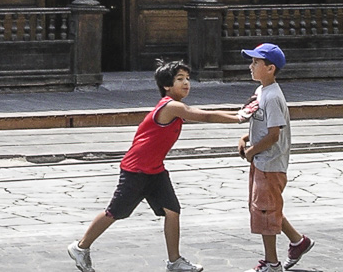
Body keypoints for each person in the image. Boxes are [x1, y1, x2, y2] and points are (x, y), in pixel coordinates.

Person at [67, 59, 248, 272]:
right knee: (115, 211)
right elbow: (205, 116)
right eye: (180, 79)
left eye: (188, 78)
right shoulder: (172, 106)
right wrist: (239, 117)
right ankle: (80, 247)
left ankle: (175, 261)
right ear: (166, 86)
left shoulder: (175, 106)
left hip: (155, 170)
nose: (186, 83)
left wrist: (240, 115)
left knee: (172, 211)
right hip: (136, 170)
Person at [237, 43, 313, 272]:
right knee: (267, 208)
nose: (251, 67)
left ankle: (272, 263)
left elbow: (273, 134)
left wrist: (252, 151)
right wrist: (245, 138)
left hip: (269, 163)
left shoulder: (271, 97)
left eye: (256, 62)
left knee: (265, 212)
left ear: (270, 68)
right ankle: (298, 242)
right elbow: (261, 126)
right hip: (262, 161)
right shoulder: (261, 92)